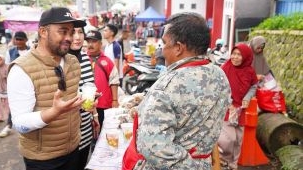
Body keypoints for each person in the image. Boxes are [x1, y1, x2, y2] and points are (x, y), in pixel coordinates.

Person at [122, 12, 231, 169]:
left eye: (164, 43)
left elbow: (154, 148)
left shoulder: (167, 86)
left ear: (179, 47)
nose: (162, 49)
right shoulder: (220, 75)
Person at [7, 7, 86, 170]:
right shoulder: (22, 69)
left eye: (71, 32)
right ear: (43, 32)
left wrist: (83, 98)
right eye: (63, 31)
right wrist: (54, 112)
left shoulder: (73, 61)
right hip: (43, 160)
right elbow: (19, 123)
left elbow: (70, 95)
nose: (69, 38)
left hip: (73, 149)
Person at [218, 43, 258, 170]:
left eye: (239, 55)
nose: (235, 57)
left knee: (238, 140)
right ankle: (223, 161)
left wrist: (247, 98)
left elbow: (253, 86)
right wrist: (228, 103)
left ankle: (232, 165)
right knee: (227, 139)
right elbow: (219, 87)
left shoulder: (250, 71)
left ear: (245, 57)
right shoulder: (225, 68)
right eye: (233, 54)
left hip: (241, 109)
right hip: (227, 108)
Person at [68, 26, 100, 170]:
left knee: (82, 163)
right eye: (72, 32)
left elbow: (89, 87)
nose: (78, 36)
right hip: (69, 130)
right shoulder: (60, 61)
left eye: (80, 32)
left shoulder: (86, 60)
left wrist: (95, 116)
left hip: (86, 126)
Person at [85, 30, 120, 130]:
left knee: (103, 130)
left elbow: (114, 81)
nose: (90, 45)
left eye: (94, 42)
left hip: (103, 104)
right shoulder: (82, 60)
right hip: (86, 104)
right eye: (89, 42)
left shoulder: (108, 61)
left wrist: (115, 100)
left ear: (100, 44)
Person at [0, 31, 30, 138]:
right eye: (17, 39)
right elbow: (8, 67)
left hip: (30, 81)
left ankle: (28, 126)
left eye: (21, 39)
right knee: (14, 104)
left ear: (26, 40)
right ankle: (8, 125)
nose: (19, 41)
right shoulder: (10, 52)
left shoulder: (32, 51)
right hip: (16, 82)